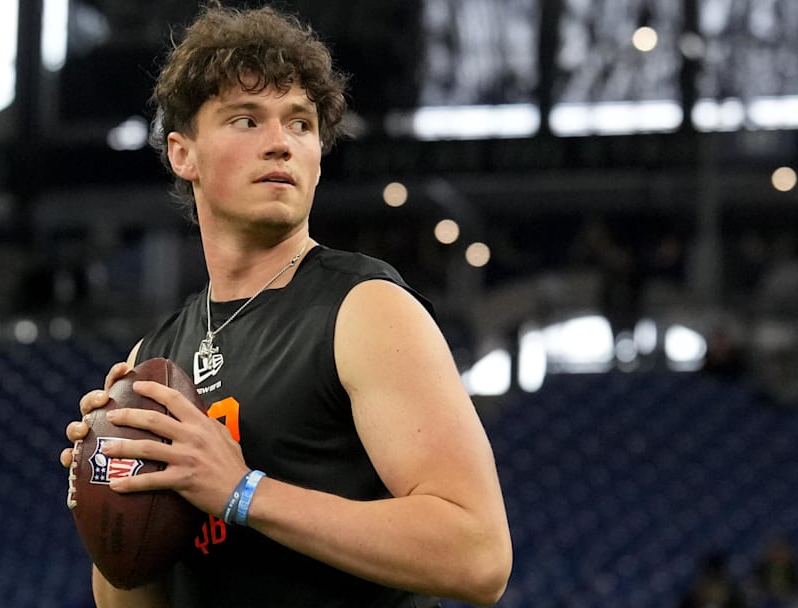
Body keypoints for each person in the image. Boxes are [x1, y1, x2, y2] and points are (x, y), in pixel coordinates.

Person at [59, 4, 512, 607]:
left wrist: (241, 491)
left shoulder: (365, 308)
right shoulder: (155, 356)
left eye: (299, 123)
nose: (280, 143)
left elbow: (477, 554)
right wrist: (107, 501)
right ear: (182, 153)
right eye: (246, 120)